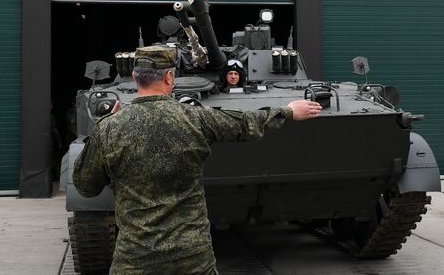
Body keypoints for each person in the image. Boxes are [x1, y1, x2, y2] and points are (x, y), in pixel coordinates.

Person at [73, 46, 322, 274]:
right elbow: (245, 124)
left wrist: (104, 125)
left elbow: (86, 186)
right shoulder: (195, 118)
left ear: (136, 77)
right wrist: (288, 111)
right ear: (170, 77)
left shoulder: (109, 128)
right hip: (192, 258)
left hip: (136, 259)